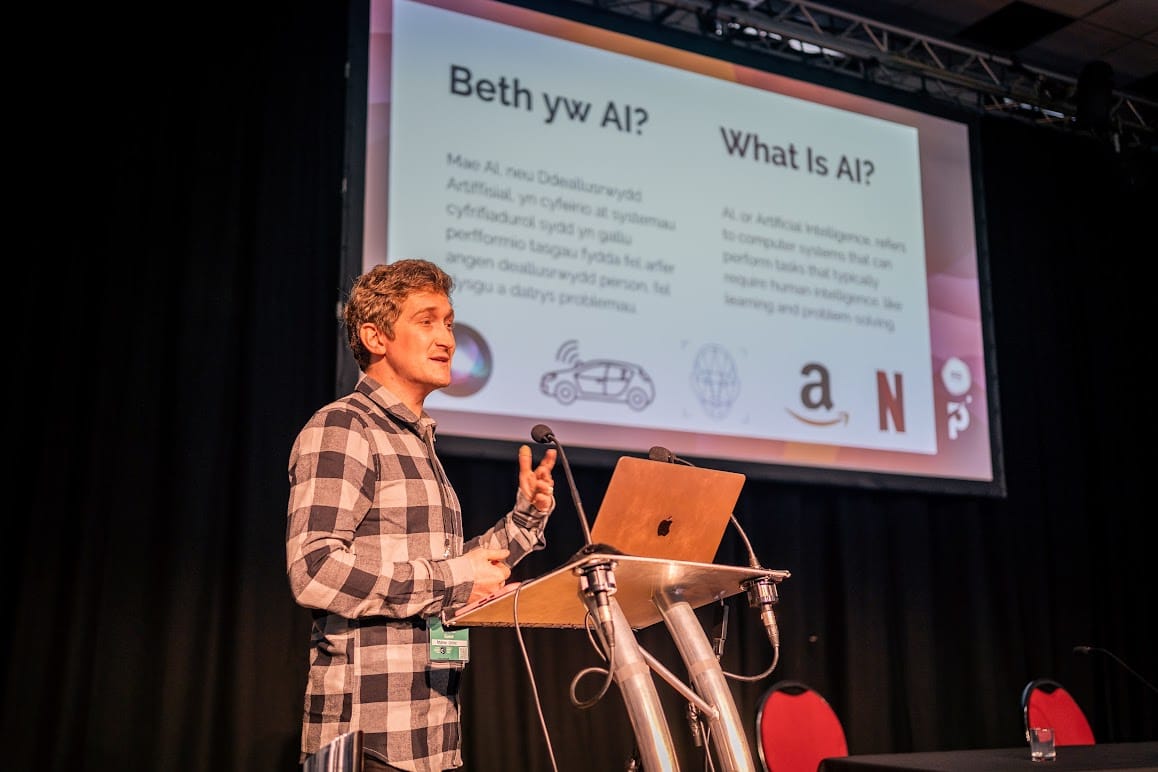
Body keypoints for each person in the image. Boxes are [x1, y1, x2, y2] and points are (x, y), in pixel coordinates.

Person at [286, 259, 557, 771]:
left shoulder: (417, 441)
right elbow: (315, 572)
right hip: (368, 738)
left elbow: (457, 571)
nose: (448, 339)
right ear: (374, 336)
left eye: (450, 323)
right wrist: (457, 576)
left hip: (434, 735)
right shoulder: (344, 427)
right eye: (427, 320)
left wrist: (526, 517)